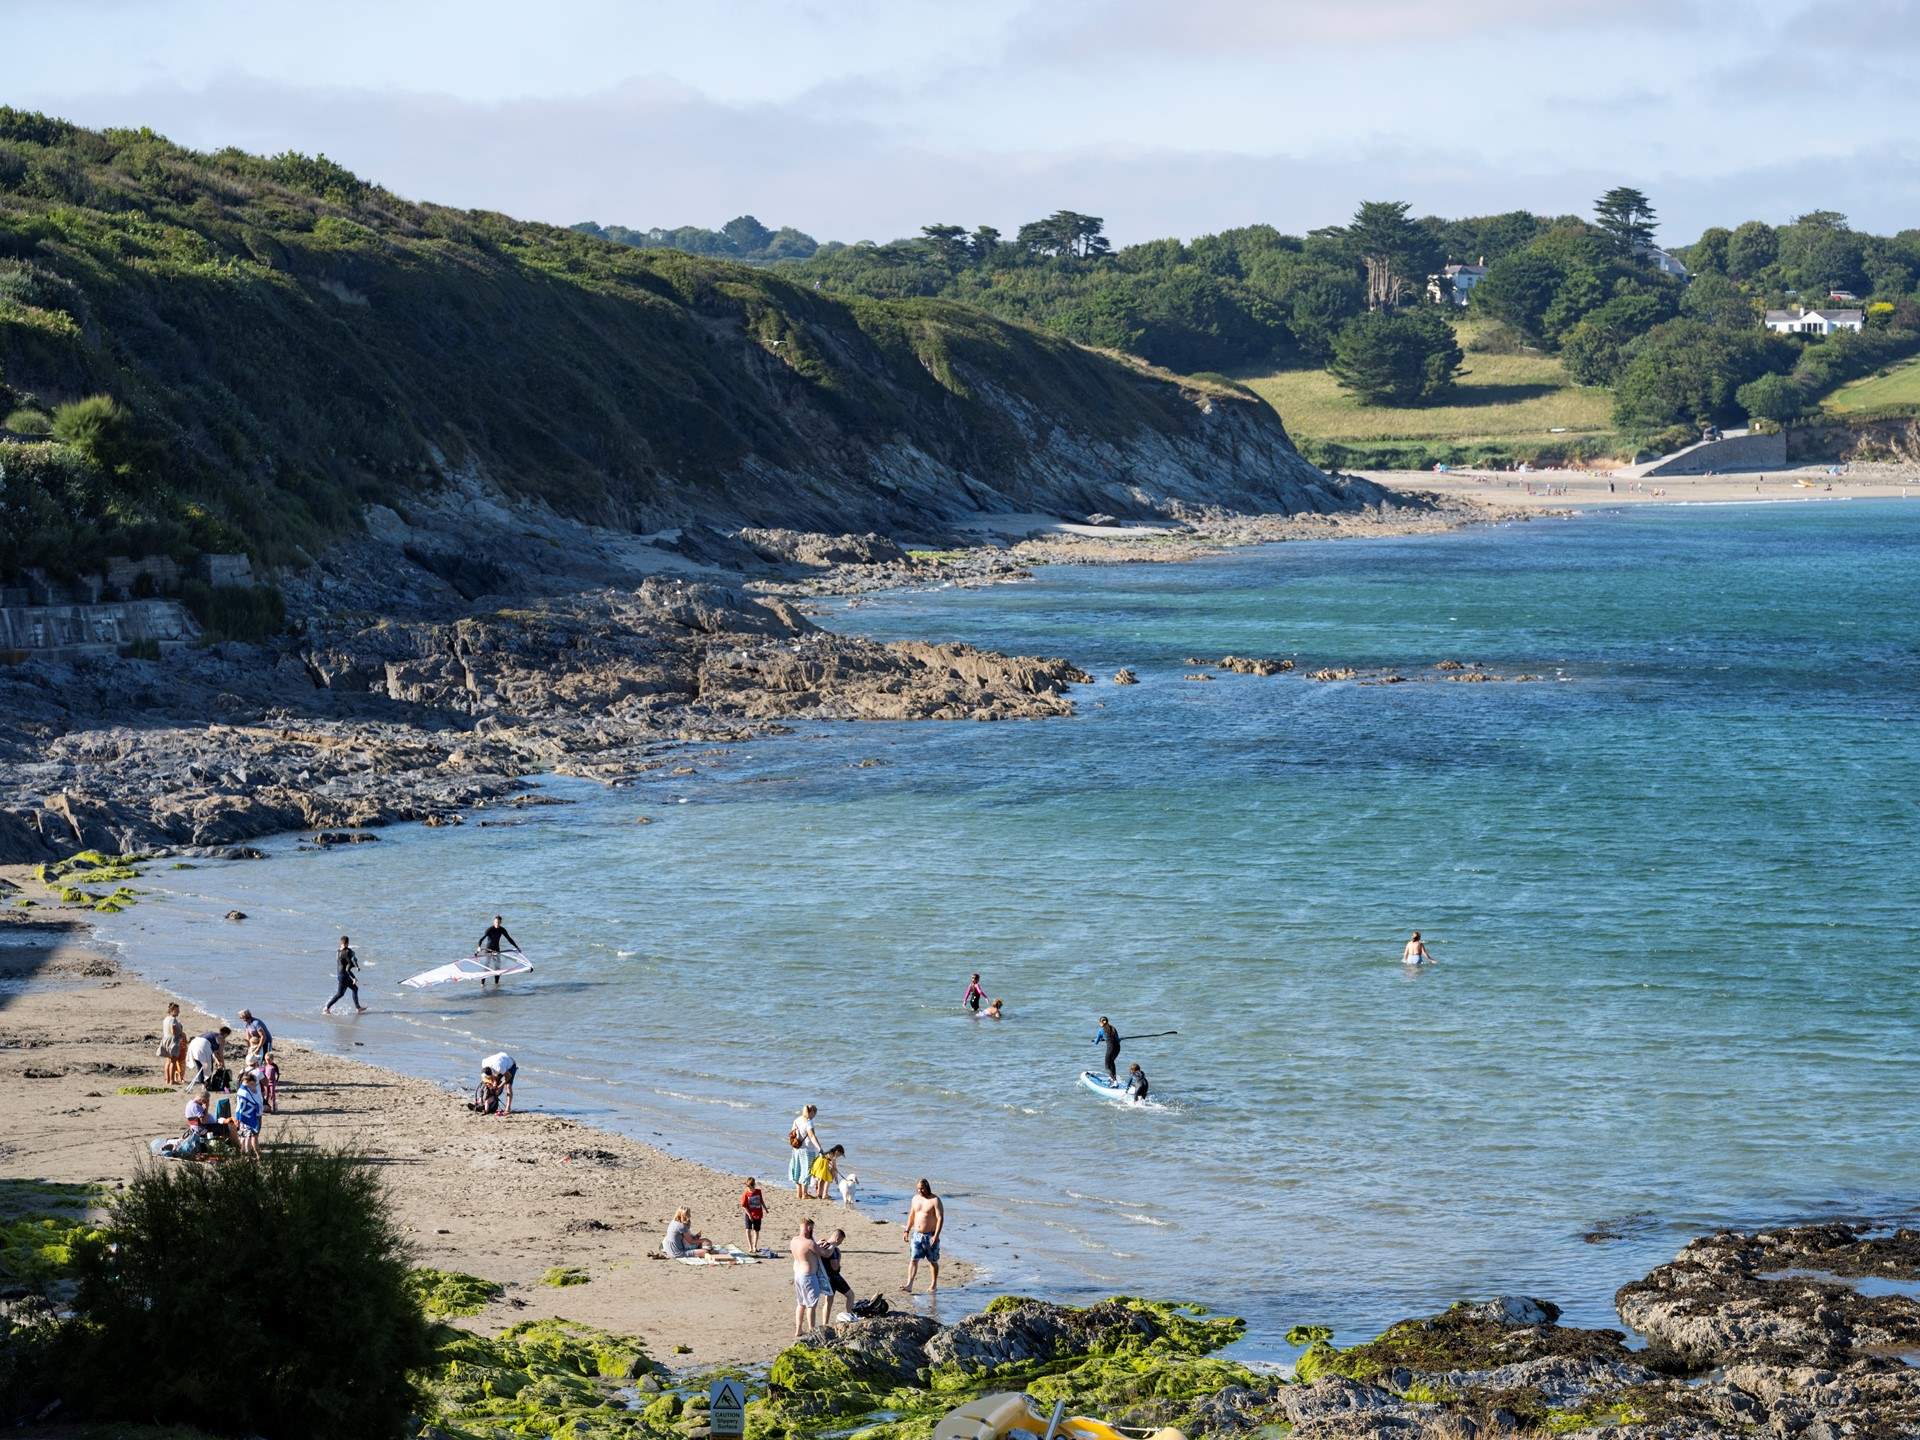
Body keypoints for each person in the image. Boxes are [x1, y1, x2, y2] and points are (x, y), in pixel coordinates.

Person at [903, 1178, 943, 1294]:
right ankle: (909, 1284)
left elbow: (940, 1218)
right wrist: (906, 1230)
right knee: (913, 1259)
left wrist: (936, 1235)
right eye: (918, 1189)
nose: (920, 1191)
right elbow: (911, 1215)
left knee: (933, 1261)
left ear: (927, 1187)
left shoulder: (935, 1200)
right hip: (917, 1235)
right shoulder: (915, 1199)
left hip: (930, 1236)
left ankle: (934, 1284)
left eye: (922, 1188)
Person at [791, 1218, 829, 1336]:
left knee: (801, 1303)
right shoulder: (809, 1243)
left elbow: (808, 1249)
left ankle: (798, 1329)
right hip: (808, 1276)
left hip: (797, 1274)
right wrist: (832, 1244)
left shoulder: (794, 1240)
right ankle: (812, 1330)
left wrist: (816, 1243)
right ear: (808, 1227)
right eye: (812, 1228)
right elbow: (824, 1253)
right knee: (811, 1305)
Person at [325, 936, 366, 1014]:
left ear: (341, 943)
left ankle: (327, 1007)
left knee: (340, 994)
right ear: (347, 943)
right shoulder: (346, 952)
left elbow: (343, 964)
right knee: (354, 989)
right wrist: (354, 977)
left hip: (340, 975)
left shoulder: (338, 952)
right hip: (344, 975)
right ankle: (358, 1008)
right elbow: (348, 967)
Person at [820, 1226, 854, 1320]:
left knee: (828, 1302)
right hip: (834, 1277)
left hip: (825, 1277)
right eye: (841, 1241)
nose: (840, 1243)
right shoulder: (833, 1249)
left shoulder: (822, 1245)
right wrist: (839, 1258)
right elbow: (835, 1267)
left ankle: (825, 1324)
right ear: (837, 1238)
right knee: (850, 1295)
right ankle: (849, 1317)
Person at [476, 914, 520, 986]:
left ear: (500, 922)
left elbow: (509, 939)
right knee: (486, 966)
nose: (497, 924)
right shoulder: (489, 929)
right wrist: (479, 946)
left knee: (497, 968)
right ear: (494, 922)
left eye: (499, 922)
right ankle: (482, 984)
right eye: (496, 922)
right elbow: (481, 939)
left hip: (497, 950)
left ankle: (496, 984)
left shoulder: (502, 930)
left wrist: (517, 947)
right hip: (488, 950)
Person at [788, 1104, 819, 1199]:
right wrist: (819, 1148)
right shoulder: (809, 1122)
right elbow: (812, 1136)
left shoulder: (797, 1120)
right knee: (806, 1171)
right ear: (811, 1112)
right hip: (807, 1150)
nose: (814, 1116)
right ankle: (804, 1194)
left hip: (796, 1149)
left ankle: (799, 1193)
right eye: (815, 1113)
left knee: (797, 1169)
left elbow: (792, 1134)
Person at [234, 1070, 264, 1158]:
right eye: (253, 1084)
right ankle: (252, 1155)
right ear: (248, 1082)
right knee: (251, 1137)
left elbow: (239, 1107)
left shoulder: (242, 1090)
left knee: (244, 1136)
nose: (254, 1086)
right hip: (250, 1117)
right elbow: (253, 1103)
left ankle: (244, 1155)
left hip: (244, 1117)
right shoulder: (245, 1092)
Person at [158, 1001, 185, 1086]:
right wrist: (180, 1034)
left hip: (166, 1040)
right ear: (172, 1010)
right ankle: (172, 1081)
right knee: (173, 1061)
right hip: (173, 1041)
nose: (179, 1012)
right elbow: (173, 1029)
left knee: (168, 1061)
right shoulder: (173, 1019)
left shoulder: (166, 1018)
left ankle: (167, 1079)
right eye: (177, 1010)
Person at [741, 1179, 766, 1252]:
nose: (749, 1189)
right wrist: (749, 1215)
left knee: (756, 1230)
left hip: (758, 1214)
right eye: (748, 1187)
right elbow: (744, 1206)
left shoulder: (758, 1192)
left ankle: (755, 1246)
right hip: (749, 1214)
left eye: (750, 1187)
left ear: (754, 1185)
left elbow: (761, 1201)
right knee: (748, 1229)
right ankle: (750, 1246)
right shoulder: (746, 1193)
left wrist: (765, 1208)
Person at [1094, 1017, 1120, 1083]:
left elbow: (1096, 1042)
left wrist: (1096, 1039)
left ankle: (1114, 1081)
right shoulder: (1113, 1028)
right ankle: (1114, 1078)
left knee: (1107, 1066)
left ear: (1101, 1023)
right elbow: (1118, 1040)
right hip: (1117, 1048)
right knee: (1111, 1062)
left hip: (1111, 1049)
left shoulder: (1101, 1030)